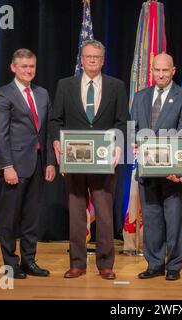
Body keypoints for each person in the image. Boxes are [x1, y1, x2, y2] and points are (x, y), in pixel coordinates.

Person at [50, 40, 129, 279]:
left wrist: (118, 145)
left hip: (105, 163)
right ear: (81, 60)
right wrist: (56, 141)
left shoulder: (117, 86)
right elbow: (56, 121)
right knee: (76, 214)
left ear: (103, 60)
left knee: (105, 215)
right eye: (88, 56)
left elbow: (122, 121)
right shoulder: (65, 85)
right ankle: (77, 263)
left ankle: (106, 264)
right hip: (74, 161)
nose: (92, 60)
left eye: (97, 57)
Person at [0, 48, 56, 279]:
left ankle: (29, 261)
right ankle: (11, 264)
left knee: (31, 218)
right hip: (15, 166)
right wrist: (6, 165)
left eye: (32, 66)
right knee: (10, 219)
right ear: (13, 68)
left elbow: (46, 131)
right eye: (24, 66)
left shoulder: (42, 94)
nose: (29, 70)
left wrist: (50, 162)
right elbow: (0, 134)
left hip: (38, 164)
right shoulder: (3, 94)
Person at [131, 53, 182, 281]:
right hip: (147, 171)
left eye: (165, 70)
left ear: (173, 71)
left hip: (172, 173)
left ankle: (174, 265)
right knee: (151, 219)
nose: (161, 74)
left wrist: (174, 166)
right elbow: (133, 128)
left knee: (175, 218)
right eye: (157, 70)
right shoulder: (140, 97)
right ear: (152, 71)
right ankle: (154, 264)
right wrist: (133, 145)